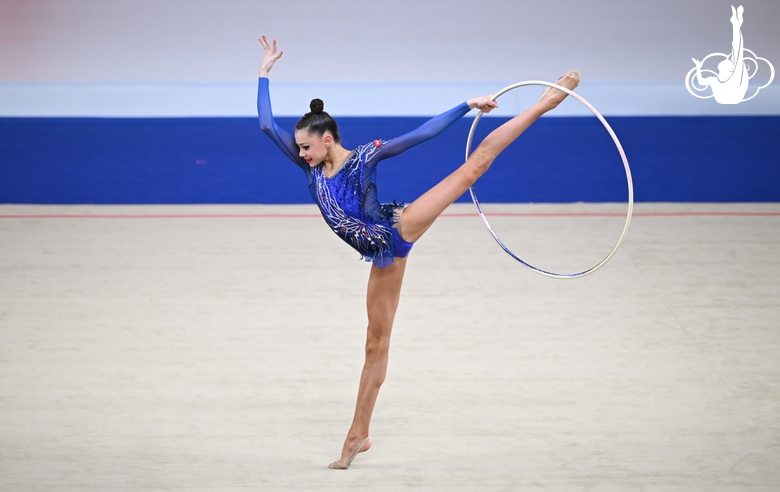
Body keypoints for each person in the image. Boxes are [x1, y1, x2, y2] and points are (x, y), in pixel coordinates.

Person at [256, 35, 579, 469]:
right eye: (299, 148)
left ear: (329, 140)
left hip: (396, 227)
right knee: (375, 344)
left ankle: (544, 103)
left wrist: (467, 104)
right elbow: (264, 126)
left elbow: (420, 135)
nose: (301, 153)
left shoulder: (364, 158)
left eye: (307, 146)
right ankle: (361, 434)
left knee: (473, 167)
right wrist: (263, 74)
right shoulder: (309, 168)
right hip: (383, 259)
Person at [692, 5, 748, 104]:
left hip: (732, 97)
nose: (725, 59)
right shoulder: (715, 80)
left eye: (727, 61)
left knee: (737, 50)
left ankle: (736, 24)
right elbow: (701, 82)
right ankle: (736, 24)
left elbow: (737, 49)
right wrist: (698, 67)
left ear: (729, 69)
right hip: (727, 98)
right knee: (737, 51)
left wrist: (736, 26)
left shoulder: (734, 77)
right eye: (728, 60)